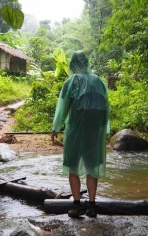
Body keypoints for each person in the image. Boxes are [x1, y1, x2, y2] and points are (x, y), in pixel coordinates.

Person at [51, 51, 111, 218]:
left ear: (72, 64)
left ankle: (77, 206)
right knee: (92, 167)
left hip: (75, 130)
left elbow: (62, 107)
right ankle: (92, 206)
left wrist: (56, 128)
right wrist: (104, 129)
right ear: (87, 63)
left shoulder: (71, 81)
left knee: (72, 166)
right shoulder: (98, 81)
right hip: (94, 131)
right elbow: (106, 106)